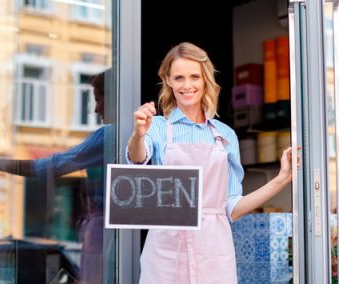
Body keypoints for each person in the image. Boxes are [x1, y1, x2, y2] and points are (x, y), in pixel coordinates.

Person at [126, 42, 298, 284]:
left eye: (194, 76)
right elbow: (137, 160)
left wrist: (282, 179)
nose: (187, 85)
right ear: (169, 80)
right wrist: (138, 134)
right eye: (179, 77)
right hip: (166, 246)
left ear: (205, 79)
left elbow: (233, 207)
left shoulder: (225, 135)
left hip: (213, 248)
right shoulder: (156, 127)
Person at [0, 69, 114, 284]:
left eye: (99, 100)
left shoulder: (108, 136)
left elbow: (52, 166)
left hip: (102, 233)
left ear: (113, 97)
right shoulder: (134, 133)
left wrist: (0, 163)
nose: (97, 109)